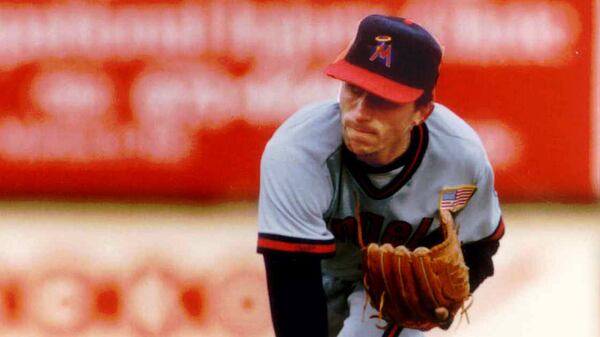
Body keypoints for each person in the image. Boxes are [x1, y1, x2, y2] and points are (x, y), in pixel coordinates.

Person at [256, 14, 504, 337]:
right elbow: (292, 285)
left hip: (390, 294)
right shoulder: (297, 153)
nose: (359, 112)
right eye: (353, 88)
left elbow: (481, 245)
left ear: (422, 111)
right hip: (316, 272)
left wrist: (445, 301)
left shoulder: (460, 158)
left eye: (383, 98)